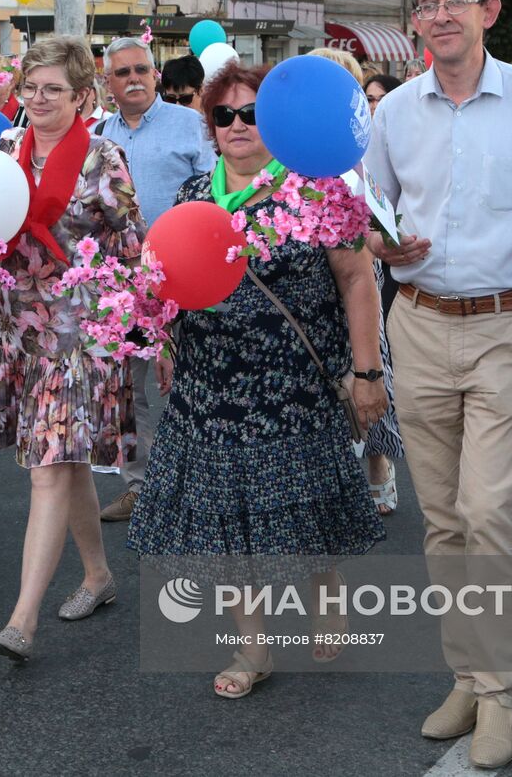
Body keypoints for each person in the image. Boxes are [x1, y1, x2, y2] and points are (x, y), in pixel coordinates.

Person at [364, 0, 512, 769]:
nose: (441, 15)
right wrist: (391, 245)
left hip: (509, 328)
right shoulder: (391, 114)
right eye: (426, 4)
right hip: (419, 324)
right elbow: (373, 221)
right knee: (445, 519)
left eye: (456, 0)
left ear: (489, 12)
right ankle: (465, 674)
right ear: (416, 21)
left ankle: (499, 697)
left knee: (490, 512)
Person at [127, 62, 388, 696]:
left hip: (293, 382)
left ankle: (326, 600)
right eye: (225, 116)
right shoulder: (193, 195)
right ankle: (253, 647)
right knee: (227, 516)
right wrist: (158, 334)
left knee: (307, 500)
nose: (239, 126)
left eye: (252, 115)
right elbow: (166, 281)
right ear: (210, 127)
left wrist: (367, 372)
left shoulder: (318, 189)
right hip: (210, 385)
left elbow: (357, 281)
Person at [0, 36, 146, 662]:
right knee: (69, 466)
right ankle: (97, 576)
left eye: (52, 89)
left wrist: (122, 313)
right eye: (30, 87)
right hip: (19, 334)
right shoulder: (6, 150)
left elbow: (133, 249)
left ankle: (22, 619)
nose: (37, 99)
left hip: (81, 340)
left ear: (82, 95)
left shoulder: (103, 157)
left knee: (47, 471)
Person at [95, 35, 216, 521]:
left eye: (141, 70)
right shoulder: (99, 137)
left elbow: (216, 193)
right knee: (128, 387)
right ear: (108, 83)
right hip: (125, 285)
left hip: (189, 274)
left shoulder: (193, 125)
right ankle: (138, 486)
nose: (134, 80)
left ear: (156, 75)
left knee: (198, 378)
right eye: (122, 73)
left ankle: (202, 482)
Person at [308, 47, 405, 514]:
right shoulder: (289, 142)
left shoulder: (362, 148)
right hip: (306, 279)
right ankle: (338, 469)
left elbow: (385, 219)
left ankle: (379, 462)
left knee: (369, 365)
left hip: (360, 270)